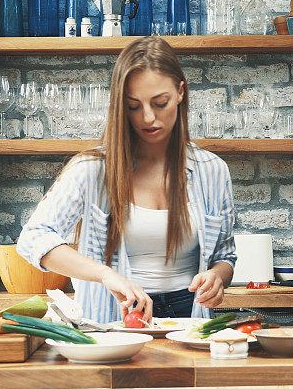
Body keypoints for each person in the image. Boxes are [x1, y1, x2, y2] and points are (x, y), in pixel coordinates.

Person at [17, 37, 236, 324]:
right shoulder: (92, 169)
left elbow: (225, 257)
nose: (148, 117)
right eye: (134, 106)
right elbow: (33, 239)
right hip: (114, 317)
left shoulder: (213, 170)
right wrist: (105, 275)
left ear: (181, 92)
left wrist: (217, 277)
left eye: (160, 103)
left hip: (190, 320)